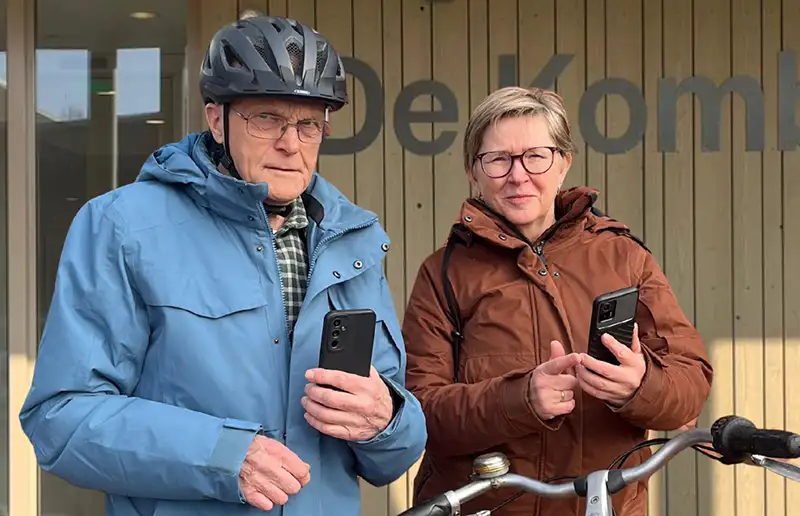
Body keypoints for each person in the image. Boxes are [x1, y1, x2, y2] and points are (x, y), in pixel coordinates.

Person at [19, 15, 426, 516]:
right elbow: (60, 419)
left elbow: (392, 457)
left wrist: (387, 422)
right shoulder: (123, 226)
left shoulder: (353, 239)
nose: (291, 144)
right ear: (217, 120)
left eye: (309, 124)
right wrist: (222, 456)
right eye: (267, 119)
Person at [401, 86, 713, 516]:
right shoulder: (443, 274)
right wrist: (520, 399)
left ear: (564, 163)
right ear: (473, 171)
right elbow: (417, 414)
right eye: (498, 159)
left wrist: (639, 386)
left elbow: (691, 384)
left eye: (536, 156)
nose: (518, 176)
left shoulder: (625, 258)